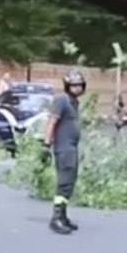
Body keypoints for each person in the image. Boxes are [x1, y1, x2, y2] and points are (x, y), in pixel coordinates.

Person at [43, 69, 86, 235]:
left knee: (70, 182)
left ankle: (64, 215)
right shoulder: (62, 100)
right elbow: (52, 122)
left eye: (79, 85)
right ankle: (56, 218)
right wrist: (46, 144)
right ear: (67, 86)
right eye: (73, 85)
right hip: (64, 149)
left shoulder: (73, 102)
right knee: (64, 183)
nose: (77, 88)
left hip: (72, 148)